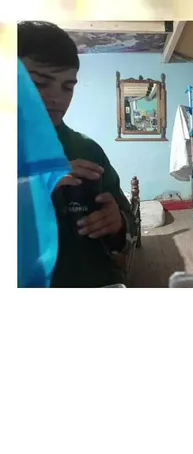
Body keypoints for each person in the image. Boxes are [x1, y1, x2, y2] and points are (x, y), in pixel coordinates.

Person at [17, 21, 133, 288]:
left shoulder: (87, 149)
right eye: (39, 84)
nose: (57, 99)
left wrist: (117, 223)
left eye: (67, 87)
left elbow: (127, 225)